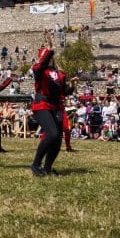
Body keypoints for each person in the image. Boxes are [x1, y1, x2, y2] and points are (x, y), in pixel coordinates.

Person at [30, 48, 75, 176]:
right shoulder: (39, 70)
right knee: (52, 134)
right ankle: (35, 164)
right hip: (41, 105)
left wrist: (71, 86)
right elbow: (42, 64)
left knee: (57, 140)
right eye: (48, 56)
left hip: (55, 107)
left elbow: (63, 91)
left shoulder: (59, 73)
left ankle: (47, 168)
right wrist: (50, 50)